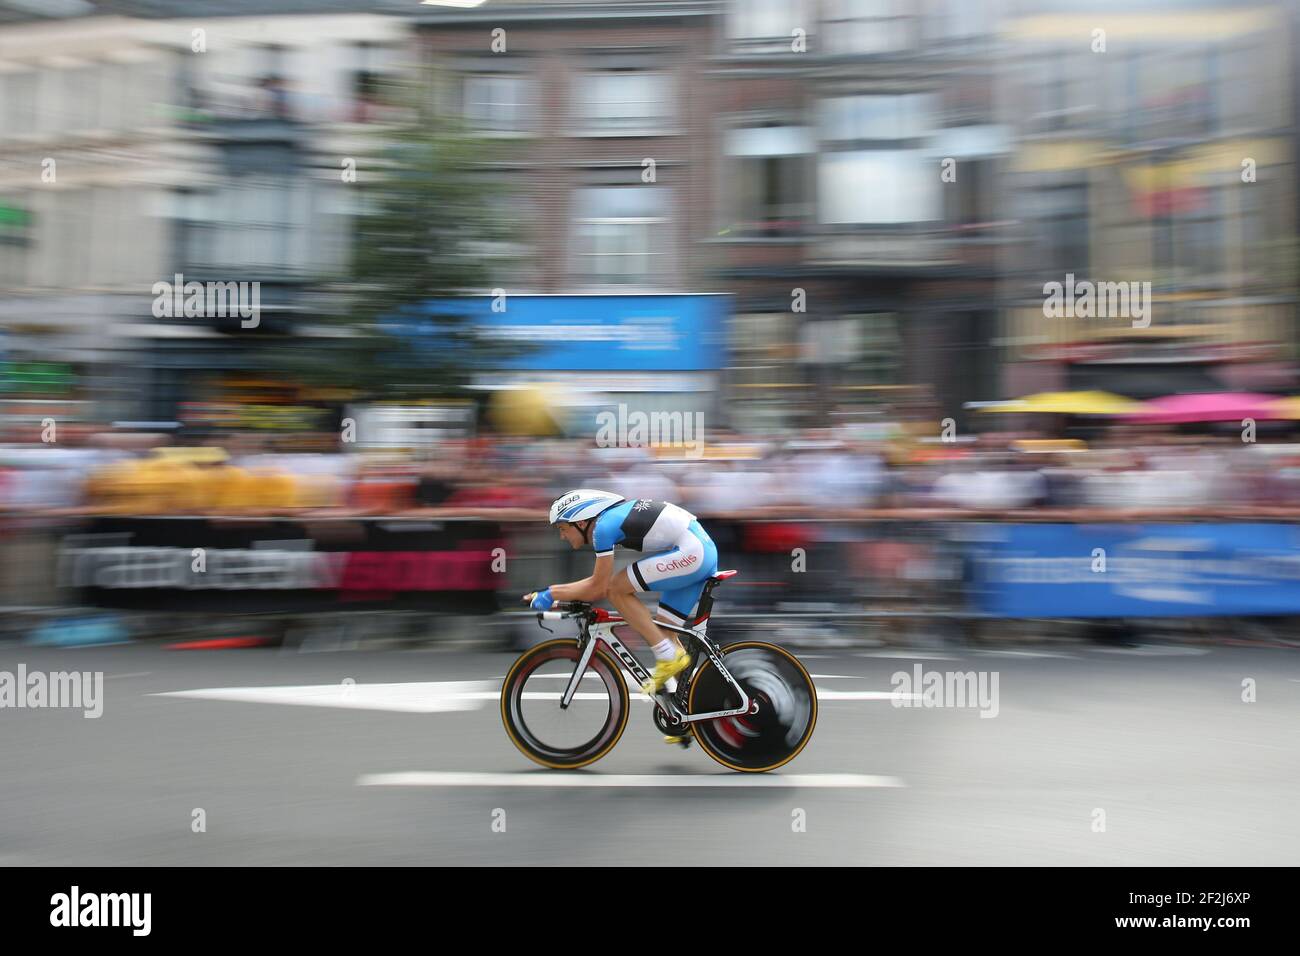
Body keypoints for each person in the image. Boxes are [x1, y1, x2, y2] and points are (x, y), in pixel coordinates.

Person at [523, 489, 719, 731]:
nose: (562, 536)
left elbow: (598, 588)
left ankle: (668, 657)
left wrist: (550, 593)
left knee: (616, 589)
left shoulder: (603, 527)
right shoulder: (610, 519)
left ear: (581, 522)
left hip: (693, 553)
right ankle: (688, 714)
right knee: (665, 636)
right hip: (698, 550)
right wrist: (555, 593)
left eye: (563, 528)